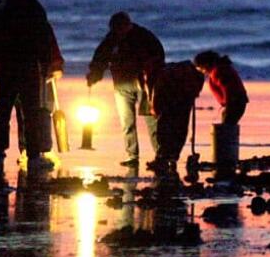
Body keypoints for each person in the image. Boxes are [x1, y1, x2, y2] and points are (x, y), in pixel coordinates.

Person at [0, 0, 63, 172]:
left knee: (3, 111)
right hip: (27, 66)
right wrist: (46, 64)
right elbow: (43, 36)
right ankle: (34, 156)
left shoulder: (0, 4)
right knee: (31, 112)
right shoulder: (34, 6)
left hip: (6, 66)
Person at [86, 12, 165, 166]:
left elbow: (158, 57)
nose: (119, 32)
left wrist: (153, 76)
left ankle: (160, 155)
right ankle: (132, 156)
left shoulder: (144, 36)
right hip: (121, 85)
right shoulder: (111, 39)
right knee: (127, 122)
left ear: (128, 25)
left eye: (121, 28)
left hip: (145, 85)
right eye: (116, 29)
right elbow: (100, 59)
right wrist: (94, 76)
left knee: (151, 121)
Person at [150, 60, 206, 173]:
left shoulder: (160, 75)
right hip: (186, 95)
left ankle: (163, 157)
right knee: (181, 126)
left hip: (175, 95)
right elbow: (200, 77)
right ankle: (173, 156)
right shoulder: (190, 70)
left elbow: (156, 95)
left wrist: (154, 108)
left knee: (164, 126)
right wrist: (195, 93)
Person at [193, 50, 248, 125]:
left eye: (201, 69)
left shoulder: (218, 71)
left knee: (227, 127)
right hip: (236, 102)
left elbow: (228, 88)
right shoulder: (221, 69)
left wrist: (229, 105)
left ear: (206, 64)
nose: (202, 72)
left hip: (234, 103)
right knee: (228, 124)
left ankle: (227, 136)